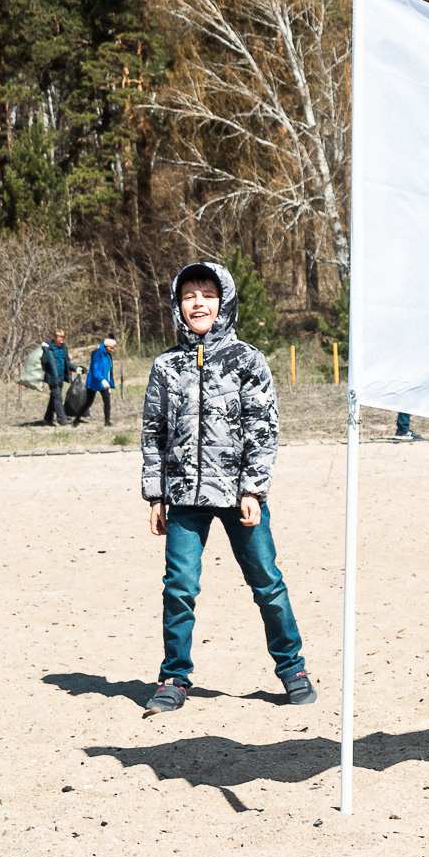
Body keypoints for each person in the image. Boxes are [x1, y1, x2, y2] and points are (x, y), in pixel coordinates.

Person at [141, 261, 314, 713]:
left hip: (240, 496)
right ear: (178, 306)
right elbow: (153, 433)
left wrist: (254, 489)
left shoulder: (247, 360)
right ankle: (174, 677)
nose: (198, 303)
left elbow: (263, 427)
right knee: (179, 586)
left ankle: (292, 668)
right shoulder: (166, 366)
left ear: (225, 302)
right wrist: (157, 494)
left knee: (267, 583)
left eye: (207, 294)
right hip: (184, 497)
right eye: (188, 295)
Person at [79, 337, 115, 427]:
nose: (112, 350)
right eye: (111, 348)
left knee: (107, 402)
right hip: (94, 382)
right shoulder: (97, 354)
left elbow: (109, 370)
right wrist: (101, 379)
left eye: (113, 348)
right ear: (106, 346)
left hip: (105, 382)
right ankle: (77, 417)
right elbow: (95, 369)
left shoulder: (108, 355)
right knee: (89, 402)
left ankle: (107, 422)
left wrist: (109, 382)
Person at [39, 328, 70, 427]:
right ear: (55, 337)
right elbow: (43, 361)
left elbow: (67, 362)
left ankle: (48, 418)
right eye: (60, 337)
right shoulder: (48, 348)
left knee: (54, 398)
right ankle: (62, 419)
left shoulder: (63, 348)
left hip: (61, 377)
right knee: (58, 398)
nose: (62, 339)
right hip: (52, 378)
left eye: (63, 337)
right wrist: (45, 350)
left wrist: (76, 368)